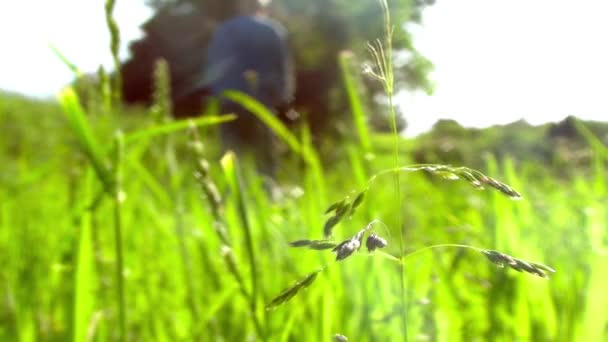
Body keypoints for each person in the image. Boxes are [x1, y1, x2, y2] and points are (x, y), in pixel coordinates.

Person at [202, 0, 294, 177]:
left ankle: (229, 197)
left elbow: (212, 69)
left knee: (229, 156)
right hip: (262, 103)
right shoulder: (272, 30)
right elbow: (283, 67)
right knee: (265, 160)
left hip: (229, 102)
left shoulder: (223, 31)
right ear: (260, 7)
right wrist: (284, 98)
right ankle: (268, 195)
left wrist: (216, 95)